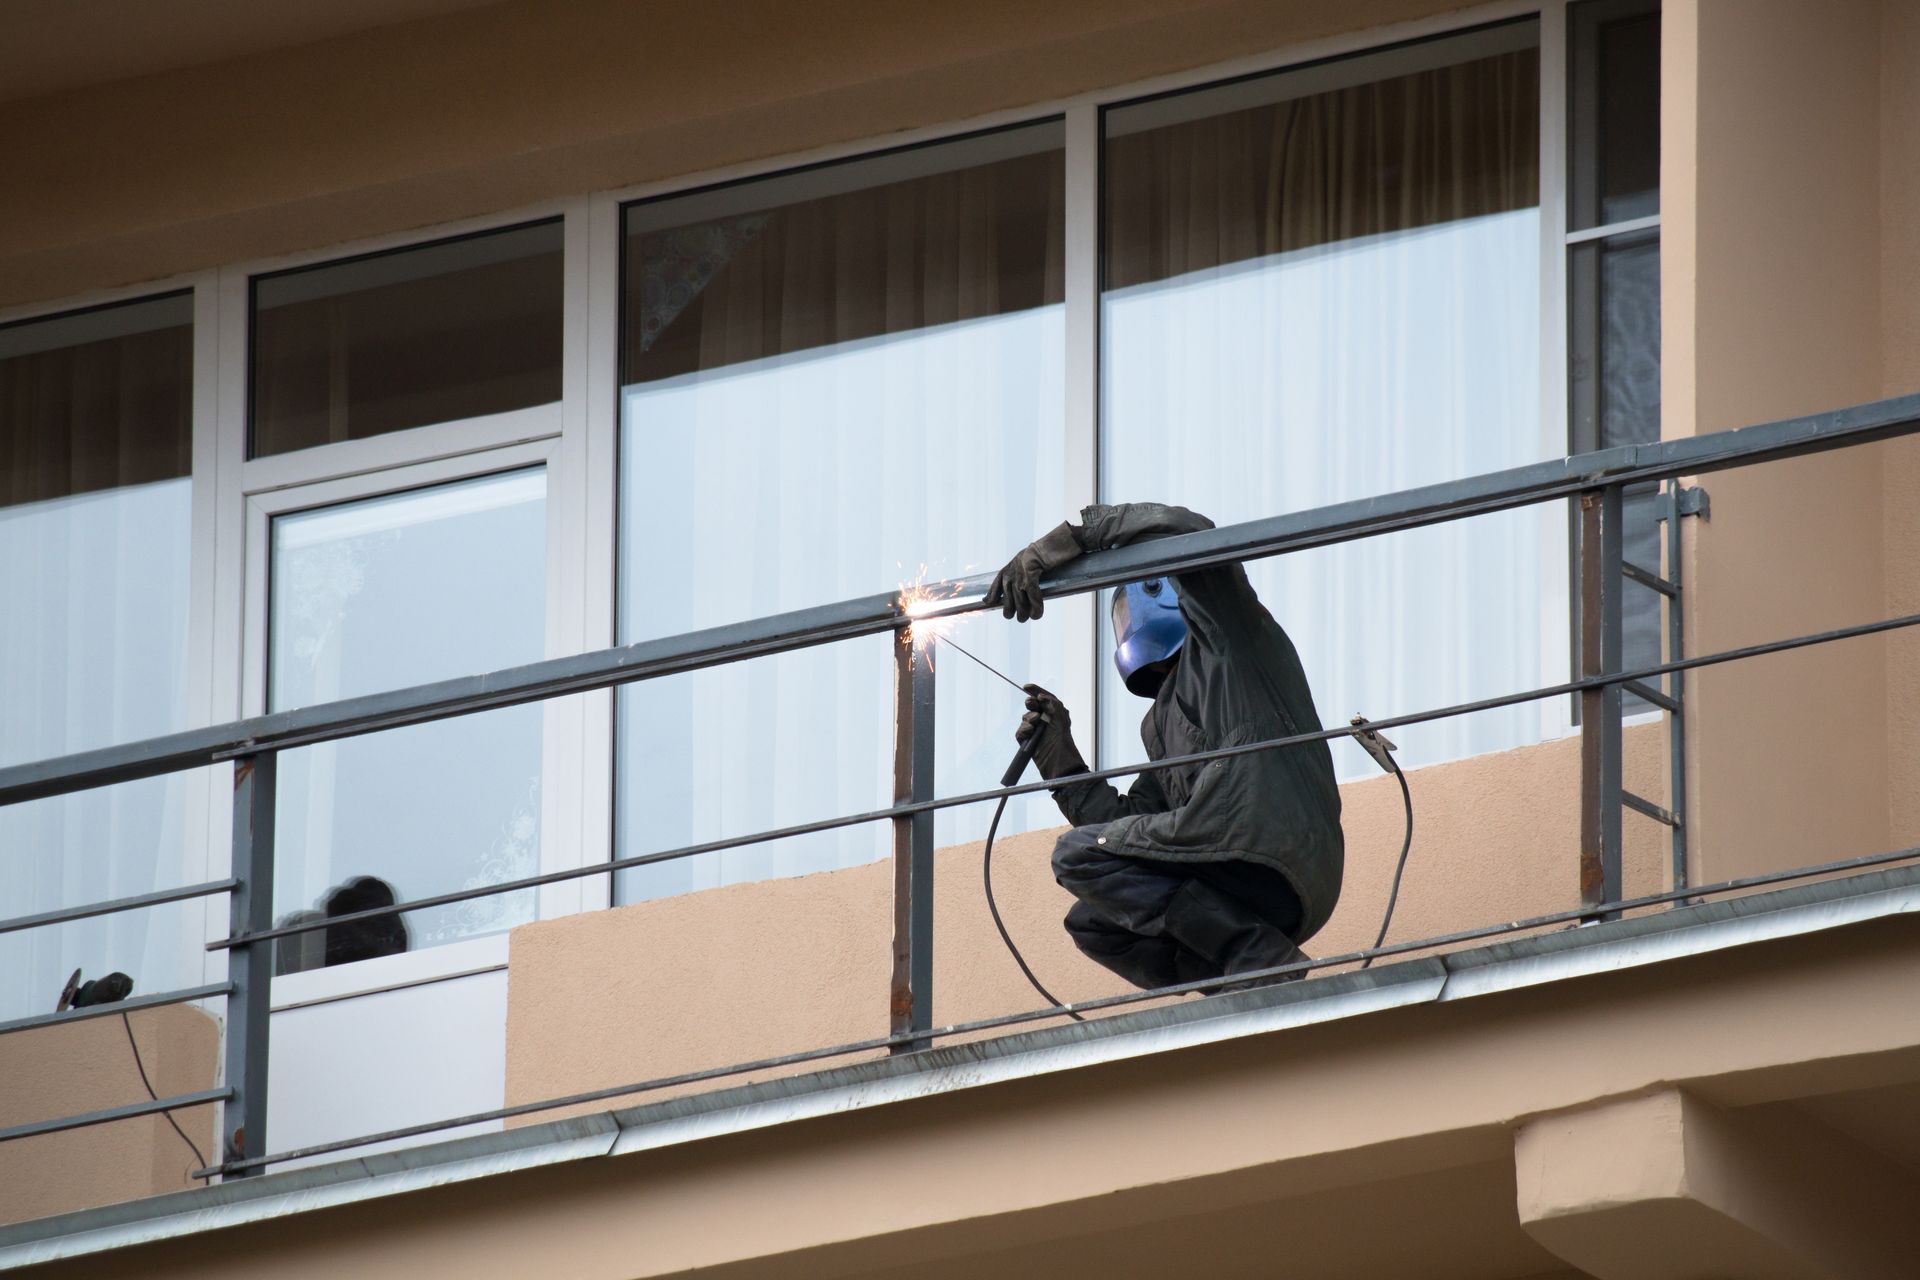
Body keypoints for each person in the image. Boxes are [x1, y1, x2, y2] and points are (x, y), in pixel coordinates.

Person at [984, 502, 1343, 992]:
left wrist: (1066, 543)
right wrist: (1057, 755)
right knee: (1093, 922)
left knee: (1075, 854)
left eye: (1131, 606)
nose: (1128, 623)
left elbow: (1187, 531)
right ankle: (1240, 980)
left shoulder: (1226, 636)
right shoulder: (1162, 722)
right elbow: (1121, 830)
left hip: (1270, 846)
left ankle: (1253, 954)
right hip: (1244, 875)